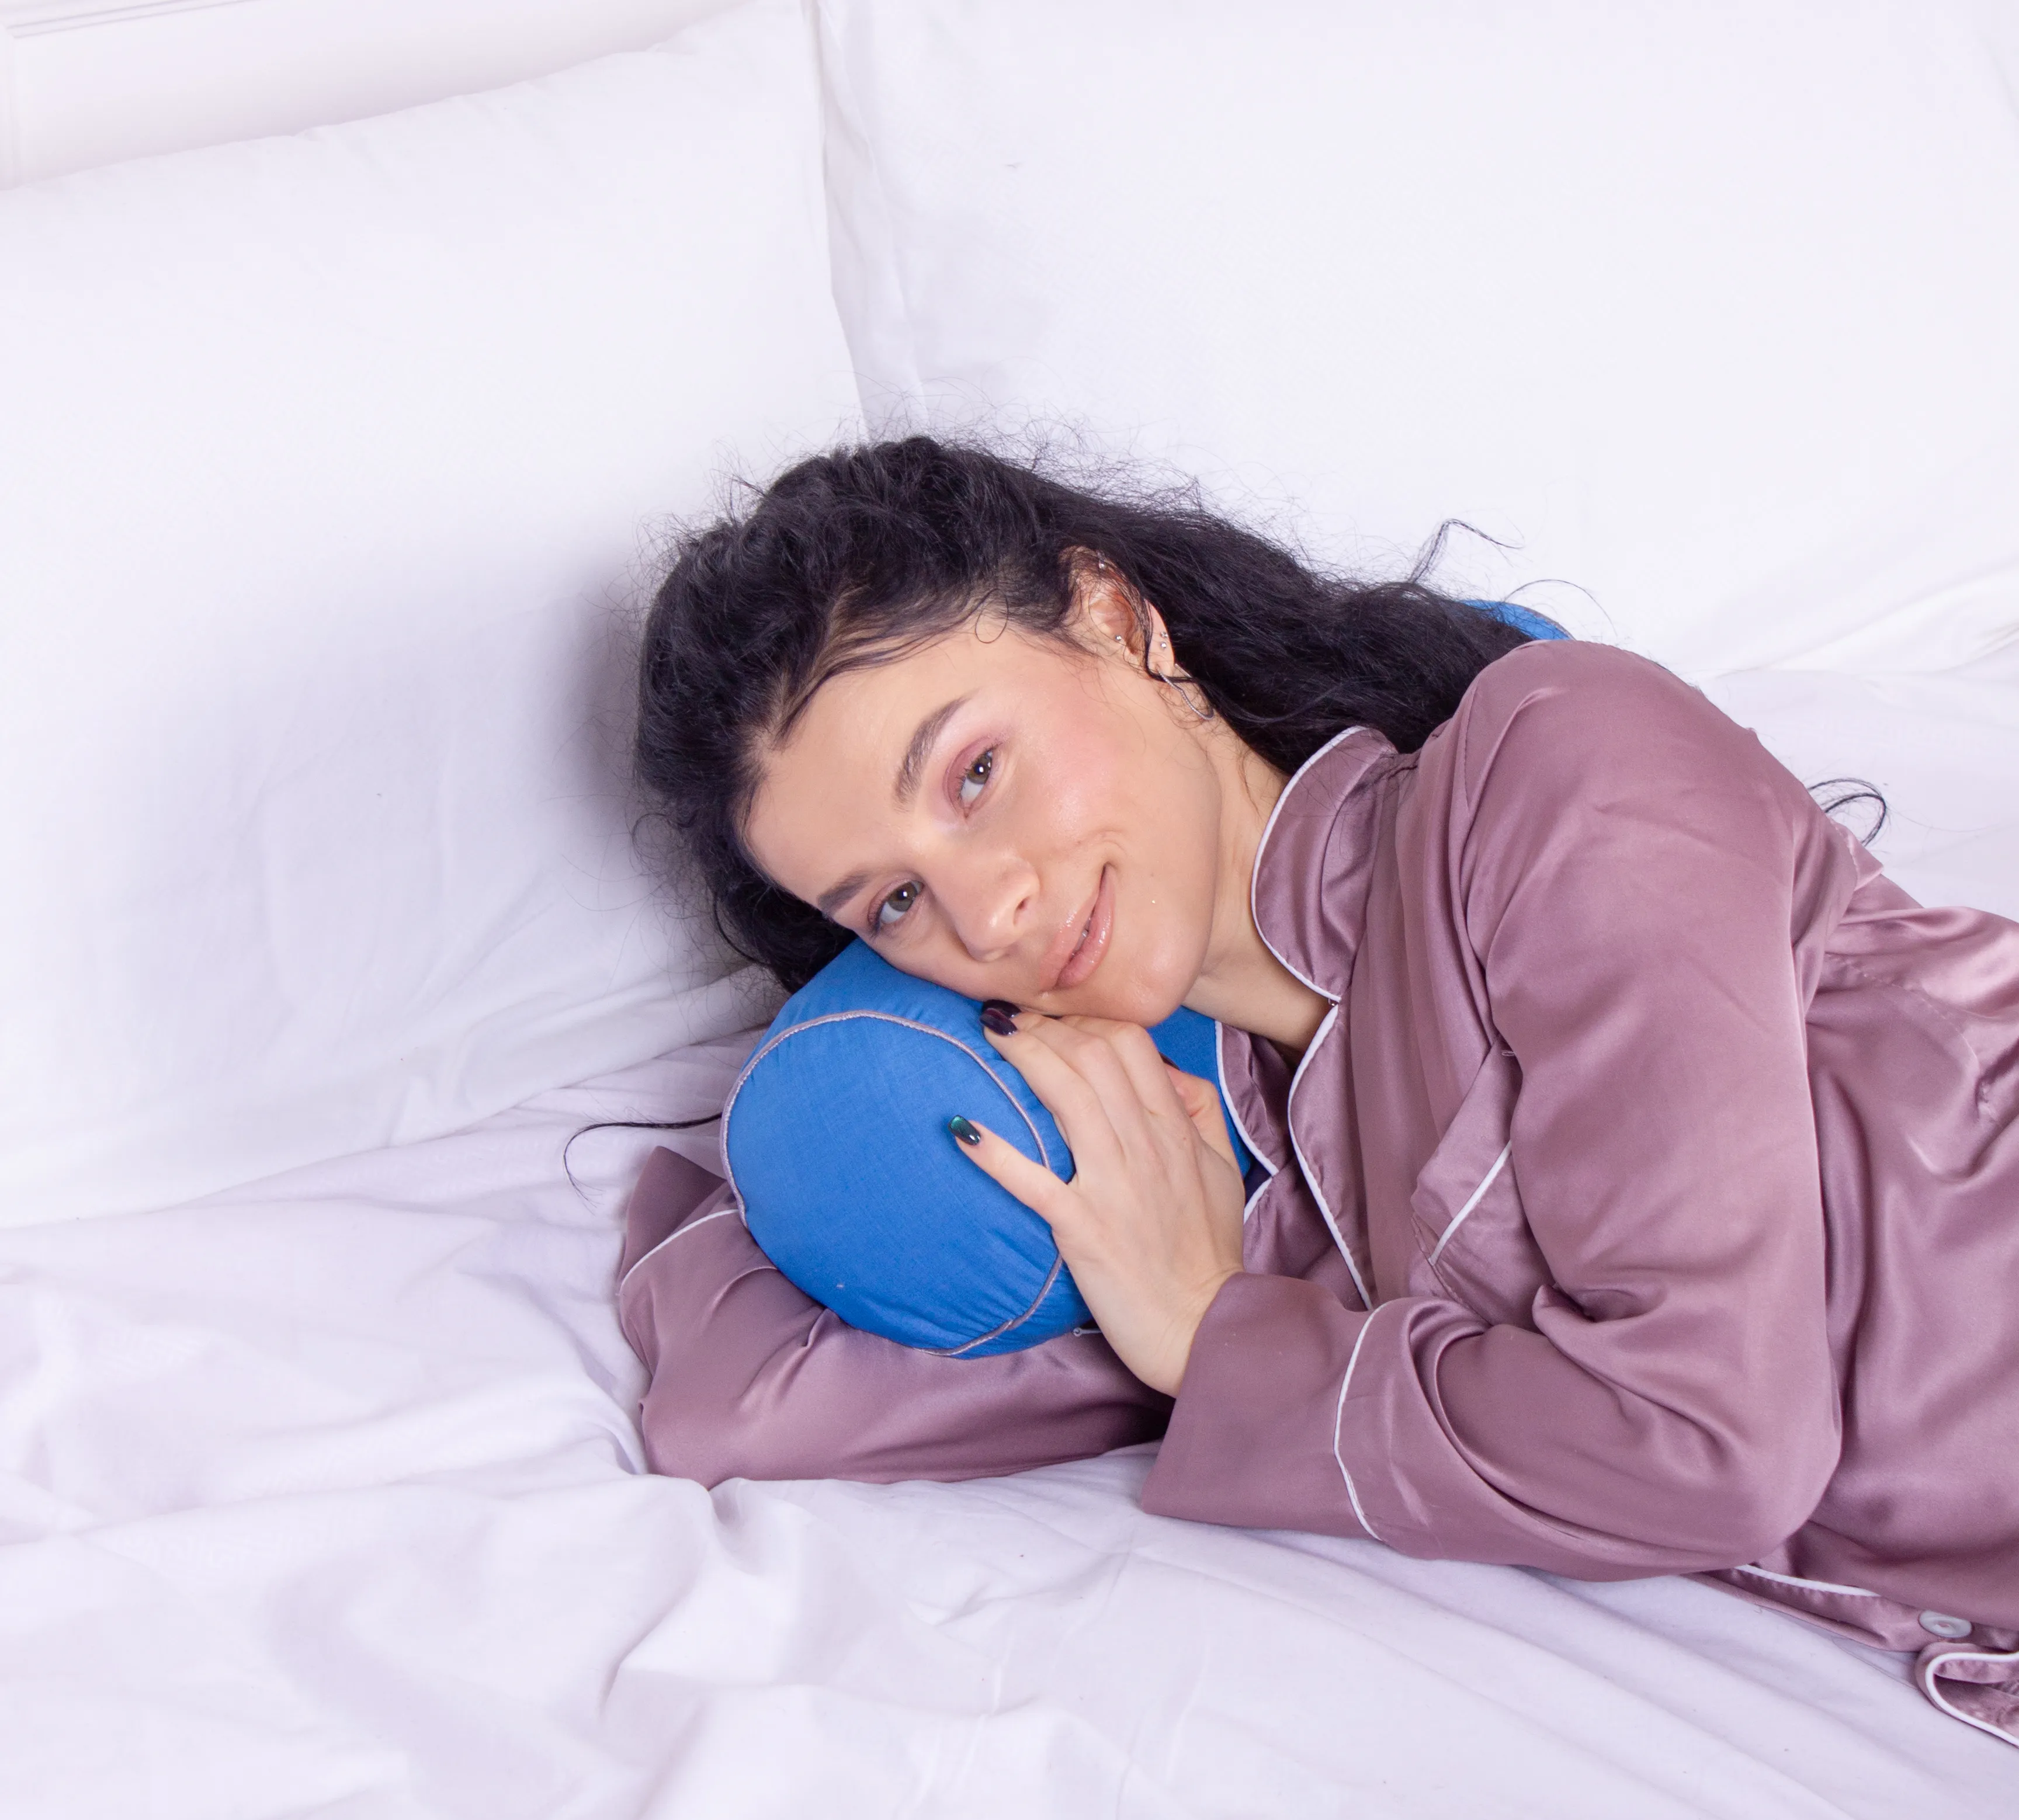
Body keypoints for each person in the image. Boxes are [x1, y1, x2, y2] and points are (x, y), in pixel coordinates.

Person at [622, 437, 2019, 1743]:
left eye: (977, 774)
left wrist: (1214, 1342)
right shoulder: (1246, 1221)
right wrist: (1188, 1311)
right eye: (893, 903)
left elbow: (1714, 1446)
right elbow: (740, 1413)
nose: (988, 916)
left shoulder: (1554, 765)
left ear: (1114, 618)